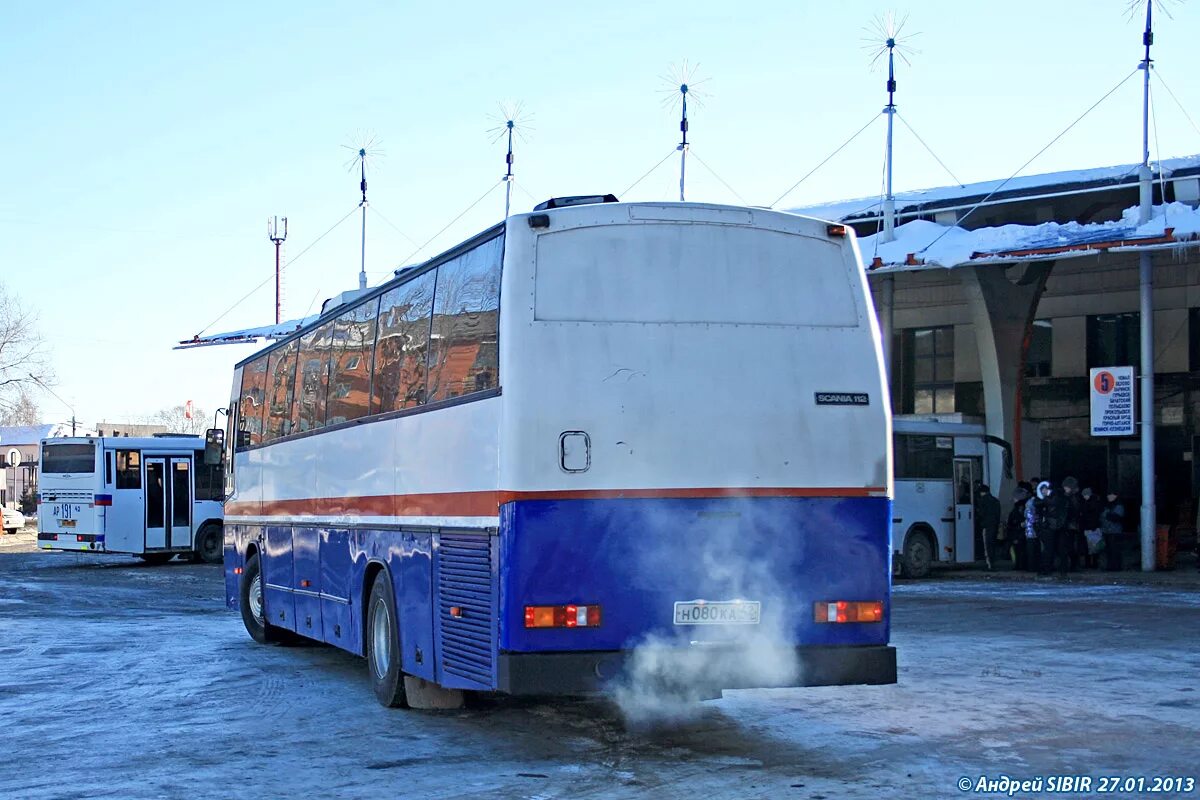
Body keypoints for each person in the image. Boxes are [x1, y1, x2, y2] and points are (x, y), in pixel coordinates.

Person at [1037, 480, 1069, 577]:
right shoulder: (1063, 498)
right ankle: (1062, 570)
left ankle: (1047, 569)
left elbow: (1043, 505)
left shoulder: (1051, 499)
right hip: (1060, 526)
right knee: (1060, 549)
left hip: (1051, 526)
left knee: (1049, 549)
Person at [975, 483, 1003, 570]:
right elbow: (998, 514)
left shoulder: (982, 501)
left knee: (987, 545)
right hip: (994, 525)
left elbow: (981, 514)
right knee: (992, 544)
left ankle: (989, 565)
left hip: (986, 526)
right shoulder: (995, 500)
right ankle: (993, 562)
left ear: (982, 492)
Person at [1007, 484, 1032, 570]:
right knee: (1022, 551)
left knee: (1019, 551)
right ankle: (1022, 565)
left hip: (1019, 533)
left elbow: (1013, 522)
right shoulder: (1025, 506)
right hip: (1021, 533)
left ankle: (1020, 565)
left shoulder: (1018, 509)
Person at [1061, 476, 1083, 572]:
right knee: (1068, 546)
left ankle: (1074, 565)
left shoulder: (1072, 498)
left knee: (1070, 546)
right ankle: (1072, 565)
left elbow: (1074, 512)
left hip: (1070, 525)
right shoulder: (1070, 497)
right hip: (1069, 525)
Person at [1081, 486, 1104, 568]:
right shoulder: (1095, 502)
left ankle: (1090, 564)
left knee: (1090, 547)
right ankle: (1093, 564)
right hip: (1092, 527)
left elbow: (1090, 516)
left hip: (1090, 527)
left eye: (1085, 495)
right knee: (1093, 546)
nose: (1084, 497)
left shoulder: (1089, 504)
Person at [1101, 493, 1125, 572]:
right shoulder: (1107, 506)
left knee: (1114, 550)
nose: (1109, 497)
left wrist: (1108, 515)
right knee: (1109, 550)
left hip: (1115, 532)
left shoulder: (1118, 506)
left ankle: (1116, 566)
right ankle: (1110, 566)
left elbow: (1116, 517)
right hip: (1107, 531)